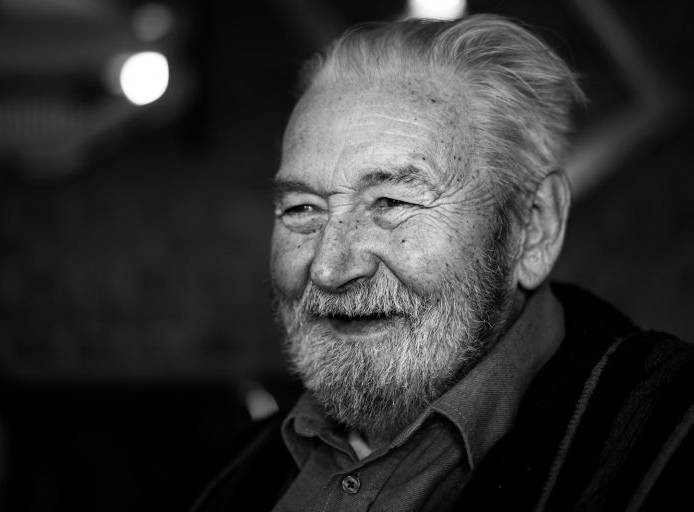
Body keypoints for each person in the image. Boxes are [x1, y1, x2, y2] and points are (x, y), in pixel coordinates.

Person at [192, 13, 694, 512]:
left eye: (393, 202)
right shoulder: (230, 474)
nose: (329, 268)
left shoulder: (669, 440)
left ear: (535, 226)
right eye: (302, 209)